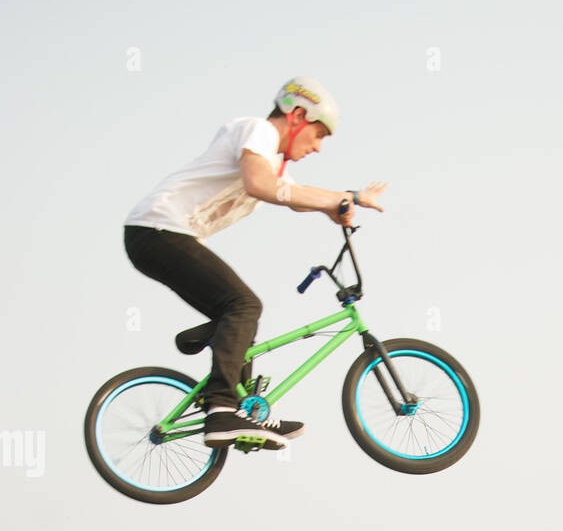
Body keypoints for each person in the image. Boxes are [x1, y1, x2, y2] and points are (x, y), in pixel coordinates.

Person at [123, 76, 388, 451]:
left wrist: (345, 201)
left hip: (158, 236)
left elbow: (295, 195)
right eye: (318, 135)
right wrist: (342, 198)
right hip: (158, 230)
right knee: (244, 305)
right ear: (297, 115)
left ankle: (239, 408)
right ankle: (220, 409)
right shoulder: (257, 131)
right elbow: (259, 185)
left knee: (239, 322)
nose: (317, 147)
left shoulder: (270, 163)